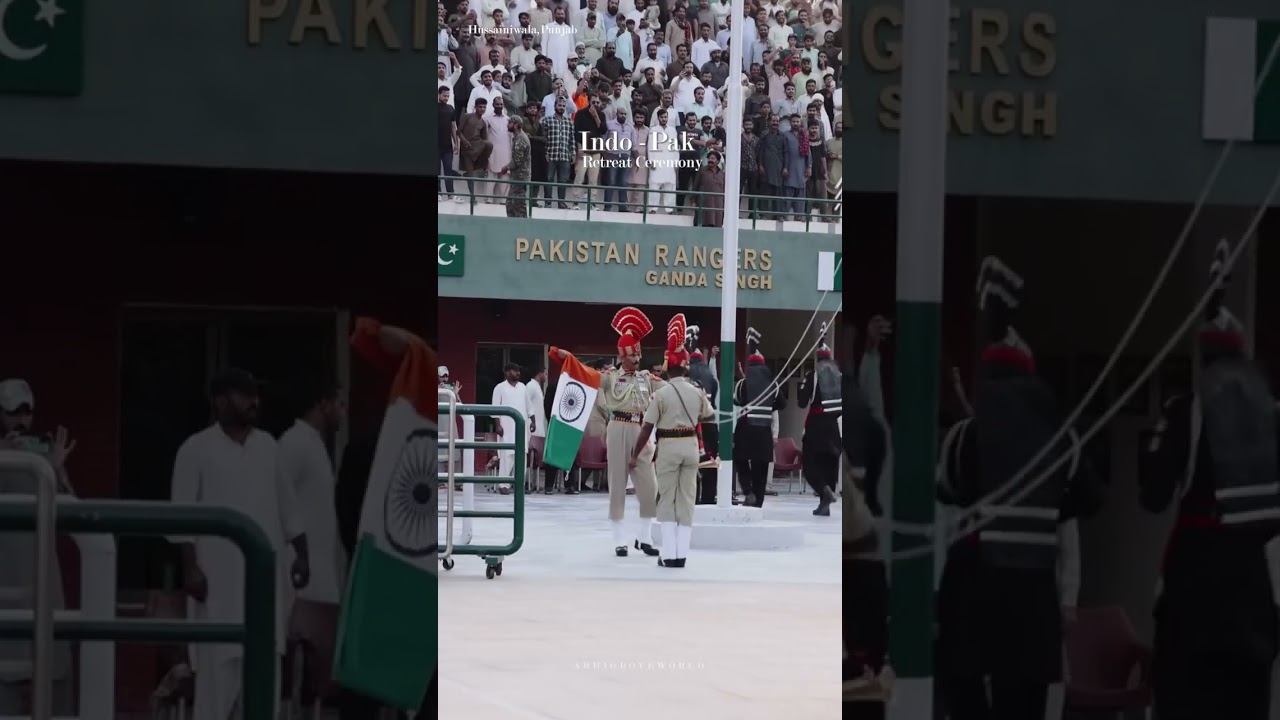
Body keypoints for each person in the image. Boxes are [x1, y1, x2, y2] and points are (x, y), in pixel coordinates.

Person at [935, 257, 1102, 720]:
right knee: (1024, 704)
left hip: (973, 597)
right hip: (1034, 598)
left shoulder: (966, 436)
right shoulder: (1063, 442)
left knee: (965, 695)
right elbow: (1088, 499)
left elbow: (946, 489)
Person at [1140, 241, 1280, 720]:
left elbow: (1153, 495)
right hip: (1254, 581)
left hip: (1195, 580)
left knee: (1183, 700)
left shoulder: (1186, 411)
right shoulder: (1272, 417)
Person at [169, 367, 311, 720]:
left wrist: (302, 555)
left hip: (264, 591)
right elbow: (180, 518)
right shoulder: (195, 449)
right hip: (217, 590)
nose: (253, 401)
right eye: (244, 394)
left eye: (255, 394)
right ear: (220, 401)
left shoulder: (269, 447)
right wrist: (190, 568)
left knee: (262, 697)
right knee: (214, 700)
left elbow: (290, 511)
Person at [550, 306, 661, 556]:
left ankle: (644, 537)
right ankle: (619, 539)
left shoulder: (646, 378)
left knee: (649, 487)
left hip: (641, 429)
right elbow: (586, 374)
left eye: (638, 354)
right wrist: (568, 358)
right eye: (632, 355)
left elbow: (669, 387)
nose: (637, 359)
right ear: (622, 356)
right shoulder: (610, 377)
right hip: (618, 427)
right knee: (618, 484)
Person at [0, 378, 75, 716]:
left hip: (42, 581)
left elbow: (74, 516)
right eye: (13, 412)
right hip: (4, 584)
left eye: (26, 412)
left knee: (53, 669)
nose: (21, 420)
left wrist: (56, 469)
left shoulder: (43, 458)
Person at [278, 377, 347, 709]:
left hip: (320, 573)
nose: (343, 412)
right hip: (300, 575)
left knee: (317, 671)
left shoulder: (315, 444)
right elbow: (276, 501)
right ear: (323, 404)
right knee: (295, 668)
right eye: (339, 404)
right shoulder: (294, 443)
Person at [630, 313, 714, 567]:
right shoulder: (697, 391)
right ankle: (682, 554)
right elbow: (709, 418)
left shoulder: (662, 394)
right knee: (687, 499)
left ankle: (668, 554)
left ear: (668, 367)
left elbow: (647, 427)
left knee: (667, 498)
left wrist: (635, 454)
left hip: (668, 447)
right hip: (690, 447)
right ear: (686, 367)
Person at [796, 322, 842, 515]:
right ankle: (825, 504)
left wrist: (802, 388)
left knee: (809, 464)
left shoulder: (813, 376)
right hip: (834, 426)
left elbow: (801, 403)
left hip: (816, 426)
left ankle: (824, 491)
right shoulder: (840, 377)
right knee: (830, 464)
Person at [733, 327, 780, 508]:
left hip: (745, 429)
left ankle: (748, 491)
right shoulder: (773, 385)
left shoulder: (743, 383)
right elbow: (782, 403)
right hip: (764, 430)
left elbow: (736, 400)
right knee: (761, 465)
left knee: (741, 460)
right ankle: (758, 500)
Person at [686, 326, 721, 504]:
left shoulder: (686, 373)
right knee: (710, 462)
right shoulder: (710, 375)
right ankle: (708, 497)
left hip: (692, 425)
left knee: (691, 464)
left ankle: (692, 498)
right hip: (711, 424)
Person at [490, 362, 536, 495]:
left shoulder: (522, 387)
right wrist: (498, 425)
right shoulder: (499, 388)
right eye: (515, 371)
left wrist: (533, 421)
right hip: (506, 428)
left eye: (518, 371)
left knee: (521, 457)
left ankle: (519, 485)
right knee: (507, 456)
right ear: (507, 373)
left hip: (522, 428)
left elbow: (529, 406)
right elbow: (495, 408)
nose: (518, 373)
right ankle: (503, 485)